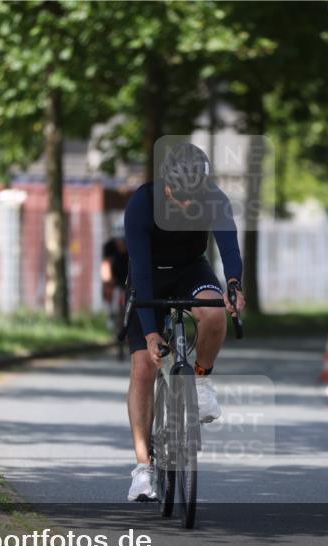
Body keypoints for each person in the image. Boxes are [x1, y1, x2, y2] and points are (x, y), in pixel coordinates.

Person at [123, 142, 245, 502]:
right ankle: (144, 468)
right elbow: (141, 273)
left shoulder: (213, 198)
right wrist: (149, 333)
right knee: (144, 368)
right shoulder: (142, 205)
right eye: (181, 199)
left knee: (213, 312)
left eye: (195, 198)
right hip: (149, 277)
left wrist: (234, 284)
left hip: (191, 270)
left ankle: (202, 381)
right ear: (166, 187)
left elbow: (229, 247)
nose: (189, 206)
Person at [100, 220, 129, 330]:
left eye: (123, 241)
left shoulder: (132, 245)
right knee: (108, 287)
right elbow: (106, 265)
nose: (120, 244)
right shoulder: (109, 246)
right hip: (115, 274)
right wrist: (108, 281)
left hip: (128, 275)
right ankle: (111, 314)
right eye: (118, 241)